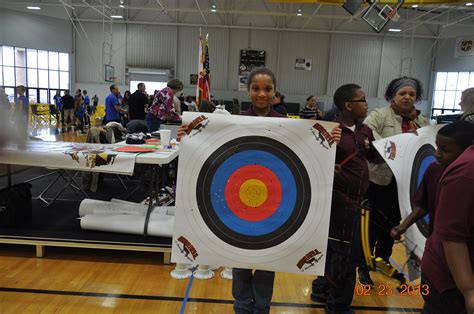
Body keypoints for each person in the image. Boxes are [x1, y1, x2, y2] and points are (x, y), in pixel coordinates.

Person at [177, 67, 341, 314]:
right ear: (248, 90)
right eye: (256, 88)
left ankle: (262, 309)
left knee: (267, 267)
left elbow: (308, 154)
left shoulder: (289, 124)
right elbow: (214, 153)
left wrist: (332, 136)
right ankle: (242, 308)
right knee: (239, 265)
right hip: (237, 213)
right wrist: (187, 136)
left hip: (274, 215)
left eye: (267, 89)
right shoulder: (232, 122)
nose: (262, 94)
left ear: (275, 92)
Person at [311, 84, 378, 313]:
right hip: (339, 202)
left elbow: (375, 158)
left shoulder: (365, 130)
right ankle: (338, 305)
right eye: (363, 100)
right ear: (348, 105)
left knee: (336, 251)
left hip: (358, 200)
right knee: (345, 255)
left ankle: (321, 289)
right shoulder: (329, 130)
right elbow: (313, 164)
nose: (367, 103)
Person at [360, 76, 429, 286]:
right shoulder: (379, 115)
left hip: (405, 185)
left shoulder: (423, 121)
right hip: (379, 181)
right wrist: (399, 145)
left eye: (411, 94)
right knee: (371, 227)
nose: (407, 97)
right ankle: (364, 267)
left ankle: (383, 259)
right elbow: (366, 133)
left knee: (393, 226)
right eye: (402, 93)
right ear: (392, 96)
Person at [420, 122, 474, 313]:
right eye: (438, 147)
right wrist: (469, 291)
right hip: (448, 278)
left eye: (444, 149)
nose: (437, 154)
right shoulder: (464, 173)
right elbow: (452, 236)